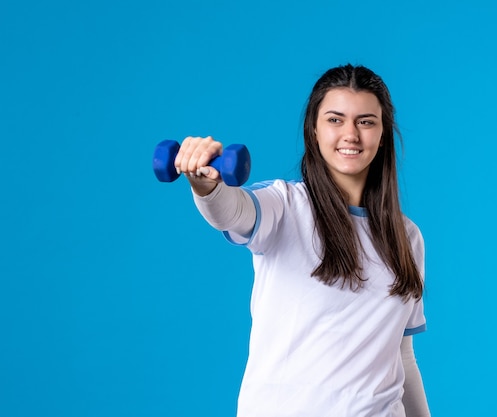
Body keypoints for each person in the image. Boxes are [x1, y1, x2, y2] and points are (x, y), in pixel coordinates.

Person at [173, 64, 431, 417]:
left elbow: (402, 355)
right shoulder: (285, 205)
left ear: (383, 133)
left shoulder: (406, 237)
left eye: (366, 121)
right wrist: (205, 185)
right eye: (335, 120)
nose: (351, 134)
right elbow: (232, 211)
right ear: (314, 129)